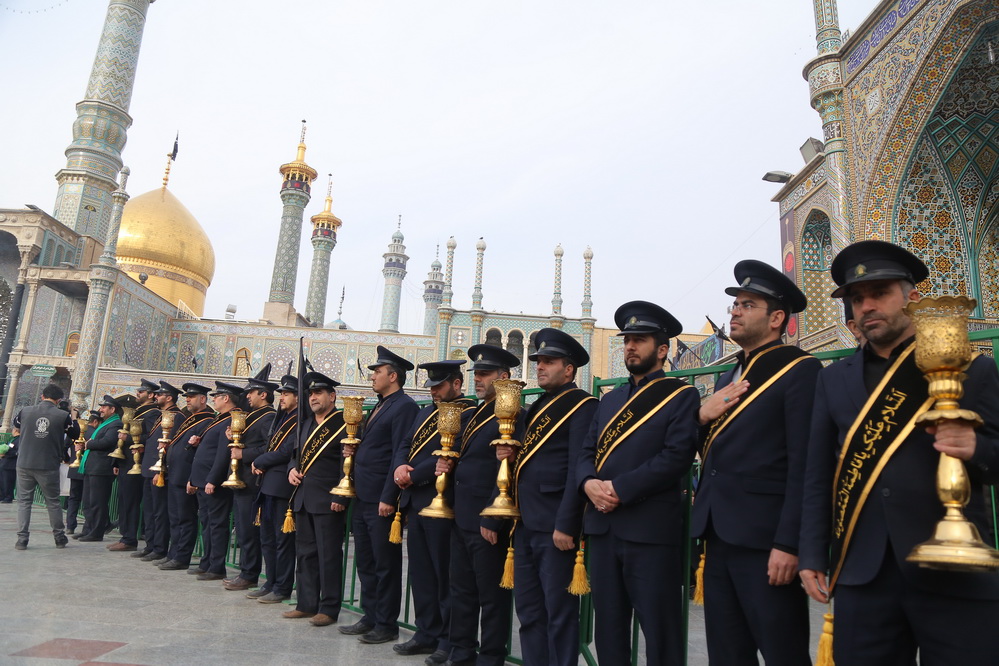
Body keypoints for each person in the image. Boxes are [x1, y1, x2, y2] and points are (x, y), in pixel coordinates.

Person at [799, 240, 999, 665]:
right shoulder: (833, 380)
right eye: (857, 299)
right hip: (862, 572)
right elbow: (817, 475)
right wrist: (813, 554)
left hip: (954, 567)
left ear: (913, 298)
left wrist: (976, 447)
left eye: (879, 293)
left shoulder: (971, 366)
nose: (866, 306)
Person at [690, 260, 820, 665]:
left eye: (748, 305)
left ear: (777, 317)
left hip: (766, 542)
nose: (735, 312)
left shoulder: (800, 370)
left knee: (782, 650)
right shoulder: (729, 375)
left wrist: (789, 542)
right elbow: (710, 452)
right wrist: (700, 416)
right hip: (719, 533)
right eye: (734, 305)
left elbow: (805, 463)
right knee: (727, 653)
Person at [576, 301, 700, 666]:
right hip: (602, 528)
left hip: (649, 532)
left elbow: (676, 457)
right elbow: (586, 451)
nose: (630, 346)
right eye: (627, 339)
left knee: (660, 632)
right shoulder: (609, 400)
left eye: (640, 340)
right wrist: (587, 483)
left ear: (662, 350)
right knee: (609, 630)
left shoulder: (680, 395)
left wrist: (619, 489)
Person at [495, 328, 597, 666]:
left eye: (548, 362)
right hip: (524, 523)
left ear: (568, 369)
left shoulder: (582, 406)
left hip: (555, 527)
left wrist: (567, 524)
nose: (539, 366)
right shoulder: (538, 405)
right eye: (538, 361)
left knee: (559, 613)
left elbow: (577, 469)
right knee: (529, 611)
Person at [435, 344, 525, 666]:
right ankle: (461, 653)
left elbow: (511, 472)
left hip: (488, 521)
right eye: (476, 374)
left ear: (504, 377)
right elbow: (462, 457)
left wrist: (494, 518)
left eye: (485, 374)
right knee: (462, 593)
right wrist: (445, 466)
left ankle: (490, 658)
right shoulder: (471, 414)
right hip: (461, 518)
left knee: (492, 598)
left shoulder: (515, 415)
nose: (478, 379)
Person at [390, 360, 476, 662]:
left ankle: (447, 639)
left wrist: (414, 475)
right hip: (415, 502)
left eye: (439, 386)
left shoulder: (468, 413)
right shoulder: (426, 412)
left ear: (456, 383)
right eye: (431, 387)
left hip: (442, 503)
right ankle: (425, 631)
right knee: (422, 574)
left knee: (445, 576)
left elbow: (451, 455)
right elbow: (406, 443)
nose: (435, 392)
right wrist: (401, 466)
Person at [339, 346, 419, 644]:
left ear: (393, 376)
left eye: (377, 371)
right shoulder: (381, 404)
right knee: (366, 562)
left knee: (385, 564)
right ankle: (370, 615)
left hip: (381, 499)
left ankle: (386, 624)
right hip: (364, 495)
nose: (373, 376)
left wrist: (389, 497)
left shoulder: (404, 406)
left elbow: (399, 454)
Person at [282, 370, 350, 627]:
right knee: (306, 554)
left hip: (328, 499)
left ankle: (329, 608)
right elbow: (295, 454)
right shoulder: (306, 423)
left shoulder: (344, 422)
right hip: (303, 497)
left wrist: (341, 496)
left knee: (328, 555)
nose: (313, 398)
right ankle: (306, 604)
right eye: (310, 394)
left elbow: (348, 463)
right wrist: (290, 469)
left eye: (318, 393)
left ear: (332, 396)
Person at [221, 368, 277, 591]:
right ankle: (246, 572)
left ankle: (249, 574)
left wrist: (244, 454)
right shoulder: (255, 417)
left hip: (251, 482)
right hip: (241, 481)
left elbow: (269, 446)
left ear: (263, 394)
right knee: (244, 530)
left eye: (252, 393)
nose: (247, 397)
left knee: (249, 532)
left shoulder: (268, 418)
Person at [249, 374, 299, 603]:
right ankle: (270, 582)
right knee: (267, 538)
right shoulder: (283, 417)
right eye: (281, 394)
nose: (282, 397)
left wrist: (259, 461)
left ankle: (282, 587)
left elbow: (286, 451)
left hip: (281, 487)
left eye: (286, 394)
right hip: (267, 485)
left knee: (282, 541)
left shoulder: (299, 420)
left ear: (298, 397)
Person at [13, 384, 79, 549]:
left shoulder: (25, 411)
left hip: (24, 463)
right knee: (53, 502)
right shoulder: (62, 416)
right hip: (48, 465)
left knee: (24, 502)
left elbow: (16, 426)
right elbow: (75, 434)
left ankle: (22, 539)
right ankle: (59, 537)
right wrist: (75, 417)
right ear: (58, 400)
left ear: (42, 396)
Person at [187, 381, 241, 580]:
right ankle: (207, 562)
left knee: (217, 525)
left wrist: (213, 479)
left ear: (226, 398)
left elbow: (222, 454)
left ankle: (216, 567)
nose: (214, 400)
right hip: (202, 479)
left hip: (213, 482)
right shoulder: (219, 419)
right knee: (207, 523)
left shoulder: (231, 420)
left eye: (217, 397)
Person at [159, 382, 214, 572]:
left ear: (203, 399)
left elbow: (199, 454)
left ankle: (182, 556)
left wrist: (192, 478)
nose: (187, 400)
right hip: (175, 475)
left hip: (186, 478)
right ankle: (174, 553)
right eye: (187, 397)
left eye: (191, 397)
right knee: (175, 518)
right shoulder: (191, 419)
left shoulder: (206, 420)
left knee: (185, 519)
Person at [134, 382, 183, 562]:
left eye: (160, 395)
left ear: (169, 397)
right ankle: (151, 545)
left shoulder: (176, 416)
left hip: (159, 470)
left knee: (159, 511)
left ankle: (160, 547)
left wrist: (161, 468)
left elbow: (168, 445)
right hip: (149, 468)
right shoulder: (162, 415)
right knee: (150, 510)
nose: (156, 397)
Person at [115, 379, 158, 554]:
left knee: (132, 502)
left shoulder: (152, 413)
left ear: (151, 395)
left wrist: (133, 440)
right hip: (127, 462)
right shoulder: (137, 412)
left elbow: (151, 437)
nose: (138, 394)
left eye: (142, 392)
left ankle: (131, 537)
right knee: (124, 500)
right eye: (138, 391)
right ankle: (125, 535)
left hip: (137, 462)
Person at [74, 394, 123, 542]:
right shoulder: (105, 424)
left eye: (103, 407)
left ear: (112, 409)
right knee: (88, 501)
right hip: (92, 467)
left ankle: (96, 532)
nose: (101, 410)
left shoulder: (115, 424)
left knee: (98, 502)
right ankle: (88, 529)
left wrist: (89, 444)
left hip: (101, 469)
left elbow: (107, 442)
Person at [66, 411, 99, 534]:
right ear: (95, 422)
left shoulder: (75, 433)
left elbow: (64, 446)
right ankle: (88, 526)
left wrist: (67, 459)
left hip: (74, 468)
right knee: (87, 499)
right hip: (87, 469)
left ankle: (70, 525)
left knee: (73, 498)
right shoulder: (94, 433)